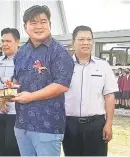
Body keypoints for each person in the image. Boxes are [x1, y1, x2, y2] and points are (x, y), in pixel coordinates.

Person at [11, 5, 74, 156]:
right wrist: (11, 88)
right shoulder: (21, 52)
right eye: (33, 22)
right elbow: (16, 78)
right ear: (26, 27)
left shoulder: (59, 52)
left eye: (43, 22)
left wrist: (31, 96)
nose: (39, 26)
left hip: (47, 126)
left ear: (50, 25)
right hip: (22, 123)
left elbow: (61, 85)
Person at [63, 25, 118, 156]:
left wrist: (109, 123)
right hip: (70, 125)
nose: (86, 43)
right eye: (81, 39)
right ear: (73, 42)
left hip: (96, 125)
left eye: (89, 39)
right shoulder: (64, 66)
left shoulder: (103, 66)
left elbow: (109, 96)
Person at [0, 28, 20, 156]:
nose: (5, 44)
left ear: (17, 42)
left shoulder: (23, 60)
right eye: (3, 41)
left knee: (13, 147)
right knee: (2, 148)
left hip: (16, 112)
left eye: (8, 41)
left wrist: (6, 100)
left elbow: (21, 84)